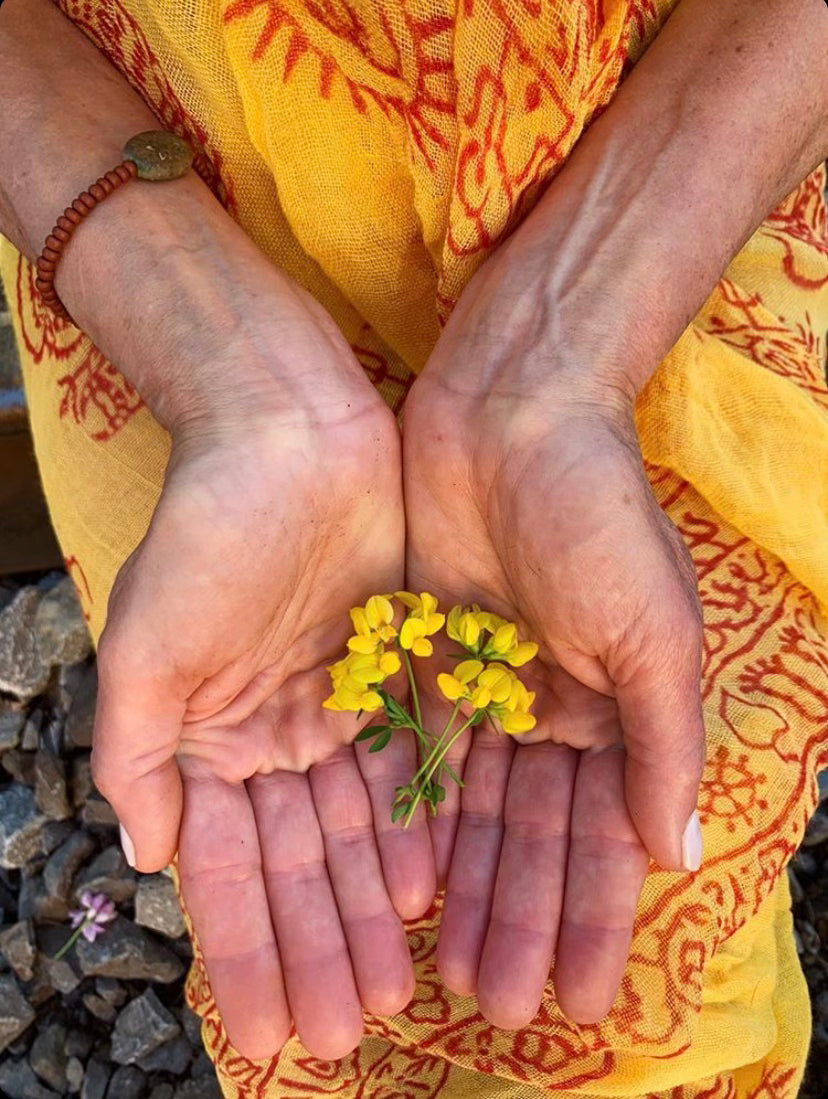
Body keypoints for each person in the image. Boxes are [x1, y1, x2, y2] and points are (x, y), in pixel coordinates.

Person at [2, 0, 827, 1094]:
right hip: (159, 247)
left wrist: (573, 338)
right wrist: (195, 329)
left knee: (658, 901)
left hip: (695, 188)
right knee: (294, 858)